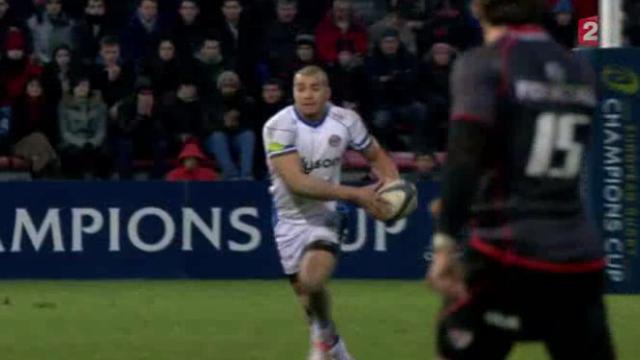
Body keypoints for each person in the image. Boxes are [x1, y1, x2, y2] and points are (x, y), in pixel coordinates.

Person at [426, 1, 615, 359]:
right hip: (580, 258)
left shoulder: (484, 63)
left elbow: (465, 156)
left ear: (479, 6)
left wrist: (445, 241)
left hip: (508, 253)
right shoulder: (578, 67)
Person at [262, 65, 399, 360]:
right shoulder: (278, 126)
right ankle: (331, 342)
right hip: (288, 220)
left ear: (327, 92)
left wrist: (393, 191)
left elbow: (377, 157)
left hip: (327, 213)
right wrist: (357, 194)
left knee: (313, 280)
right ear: (293, 93)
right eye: (301, 88)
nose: (308, 94)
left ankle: (321, 340)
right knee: (309, 299)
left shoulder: (346, 120)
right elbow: (298, 183)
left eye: (315, 88)